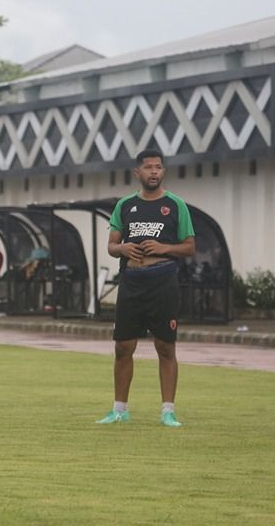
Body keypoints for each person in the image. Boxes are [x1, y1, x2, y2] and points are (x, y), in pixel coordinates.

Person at [97, 149, 195, 428]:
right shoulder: (125, 206)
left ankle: (167, 411)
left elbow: (189, 246)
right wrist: (122, 248)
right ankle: (119, 410)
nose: (154, 172)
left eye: (159, 167)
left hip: (162, 280)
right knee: (122, 347)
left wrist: (164, 247)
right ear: (137, 173)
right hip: (132, 281)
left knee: (165, 346)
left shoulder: (176, 205)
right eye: (149, 167)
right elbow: (112, 245)